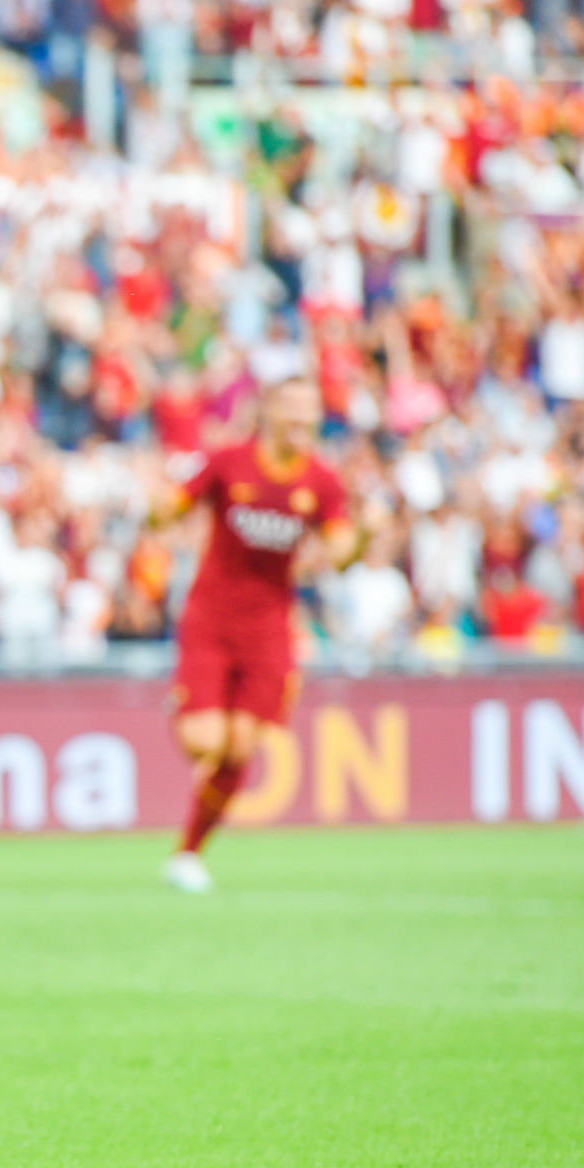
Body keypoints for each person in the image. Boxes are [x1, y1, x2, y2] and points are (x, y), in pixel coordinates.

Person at [154, 374, 356, 894]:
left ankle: (188, 854)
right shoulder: (229, 462)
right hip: (212, 620)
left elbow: (339, 546)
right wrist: (161, 506)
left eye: (310, 410)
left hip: (269, 629)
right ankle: (181, 703)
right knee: (205, 743)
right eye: (292, 408)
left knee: (241, 749)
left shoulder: (322, 481)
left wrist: (348, 545)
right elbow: (175, 503)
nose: (302, 420)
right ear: (269, 411)